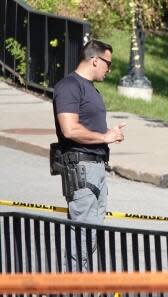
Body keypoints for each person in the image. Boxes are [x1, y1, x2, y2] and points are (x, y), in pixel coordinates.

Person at [51, 39, 126, 273]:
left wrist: (107, 136)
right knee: (82, 231)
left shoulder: (91, 89)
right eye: (108, 63)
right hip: (81, 168)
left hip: (96, 167)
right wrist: (105, 137)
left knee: (92, 232)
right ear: (95, 60)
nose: (109, 69)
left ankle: (80, 283)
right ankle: (71, 289)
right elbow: (70, 129)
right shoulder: (69, 86)